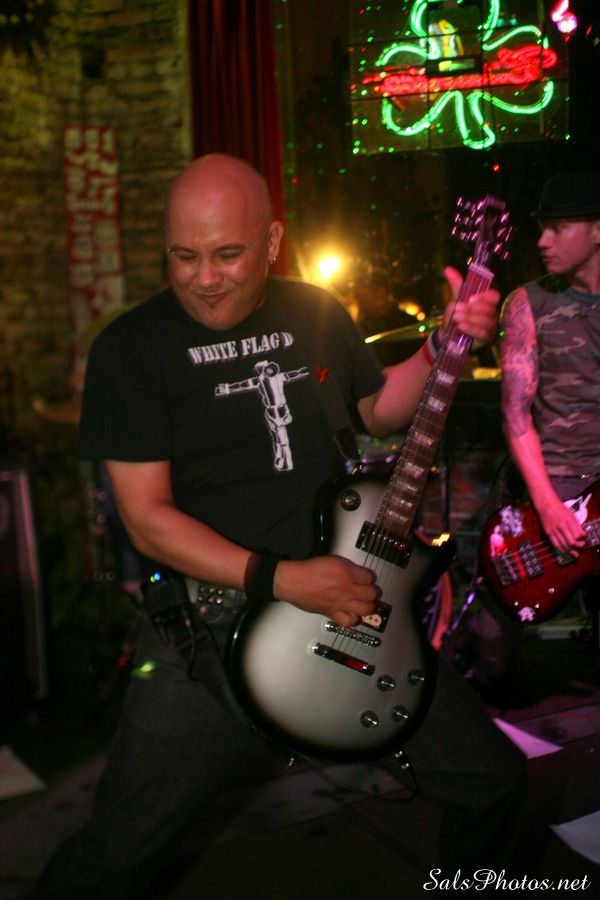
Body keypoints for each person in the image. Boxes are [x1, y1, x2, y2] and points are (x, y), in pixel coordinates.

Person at [31, 154, 526, 899]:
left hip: (348, 610)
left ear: (271, 242)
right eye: (183, 256)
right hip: (210, 628)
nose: (204, 277)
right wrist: (286, 580)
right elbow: (147, 520)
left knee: (492, 781)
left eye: (227, 254)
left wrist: (440, 344)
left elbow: (376, 412)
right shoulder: (131, 349)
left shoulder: (314, 312)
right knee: (117, 855)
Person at [499, 172, 600, 561]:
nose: (542, 241)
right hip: (552, 499)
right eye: (543, 228)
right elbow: (515, 415)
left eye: (558, 229)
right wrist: (547, 505)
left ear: (597, 231)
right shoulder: (527, 304)